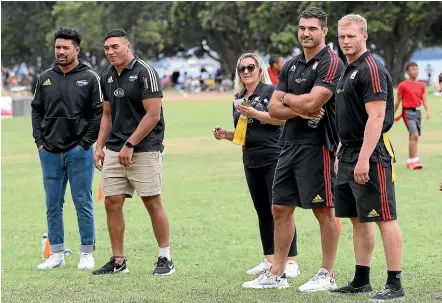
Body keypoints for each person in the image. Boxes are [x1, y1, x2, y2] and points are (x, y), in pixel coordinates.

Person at [257, 7, 345, 291]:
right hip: (289, 144)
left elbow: (312, 104)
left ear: (324, 31)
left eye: (312, 28)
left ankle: (327, 274)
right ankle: (277, 272)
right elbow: (273, 107)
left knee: (324, 211)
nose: (306, 33)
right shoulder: (293, 65)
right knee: (280, 208)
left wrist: (289, 100)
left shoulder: (331, 62)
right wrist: (298, 106)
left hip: (318, 145)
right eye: (302, 28)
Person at [330, 14, 405, 302]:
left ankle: (394, 283)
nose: (346, 41)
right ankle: (361, 279)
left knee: (384, 217)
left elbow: (375, 118)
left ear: (364, 36)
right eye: (342, 37)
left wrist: (363, 159)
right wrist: (340, 150)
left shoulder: (371, 69)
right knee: (358, 219)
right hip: (347, 152)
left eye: (351, 36)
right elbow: (348, 116)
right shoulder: (346, 70)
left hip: (370, 154)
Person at [212, 52, 300, 288]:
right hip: (250, 158)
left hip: (274, 156)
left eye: (251, 67)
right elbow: (243, 133)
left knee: (280, 210)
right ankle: (270, 259)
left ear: (260, 70)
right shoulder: (239, 97)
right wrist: (226, 135)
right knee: (263, 211)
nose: (246, 72)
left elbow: (281, 120)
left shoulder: (271, 93)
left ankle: (290, 261)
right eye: (242, 68)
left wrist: (256, 113)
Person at [91, 29, 175, 276]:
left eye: (115, 47)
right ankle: (118, 262)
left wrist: (130, 144)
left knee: (151, 201)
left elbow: (153, 114)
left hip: (145, 148)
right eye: (106, 48)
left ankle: (165, 258)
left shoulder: (145, 72)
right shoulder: (106, 76)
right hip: (116, 149)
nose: (110, 52)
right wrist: (99, 146)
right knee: (112, 203)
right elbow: (107, 115)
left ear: (127, 47)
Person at [31, 27, 103, 270]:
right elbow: (36, 110)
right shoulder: (44, 78)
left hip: (78, 151)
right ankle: (57, 254)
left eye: (65, 48)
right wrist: (39, 142)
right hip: (49, 152)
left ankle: (86, 253)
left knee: (82, 201)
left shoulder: (90, 78)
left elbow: (98, 113)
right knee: (53, 203)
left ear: (76, 50)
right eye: (57, 47)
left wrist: (85, 144)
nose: (60, 52)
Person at [394, 62, 430, 169]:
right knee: (414, 135)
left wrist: (428, 111)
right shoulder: (403, 85)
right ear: (407, 72)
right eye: (413, 69)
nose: (416, 71)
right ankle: (415, 159)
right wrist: (393, 114)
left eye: (417, 69)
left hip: (418, 112)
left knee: (414, 137)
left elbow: (424, 98)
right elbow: (398, 101)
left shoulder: (421, 85)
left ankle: (410, 160)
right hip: (407, 112)